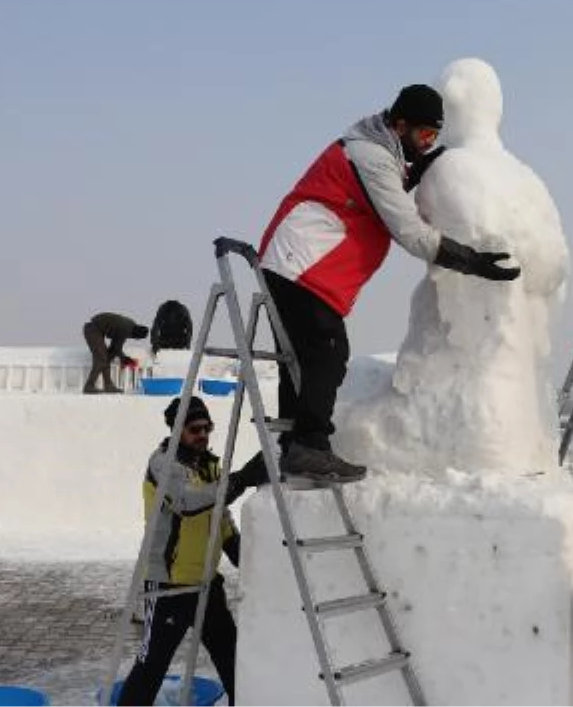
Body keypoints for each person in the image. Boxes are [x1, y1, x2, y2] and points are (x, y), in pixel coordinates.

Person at [249, 83, 521, 485]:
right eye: (423, 135)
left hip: (301, 266)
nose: (428, 144)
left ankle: (297, 447)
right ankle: (308, 447)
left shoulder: (377, 153)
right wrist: (471, 261)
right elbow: (409, 231)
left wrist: (414, 174)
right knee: (326, 350)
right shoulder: (370, 156)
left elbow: (379, 192)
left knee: (304, 361)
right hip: (300, 264)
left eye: (434, 136)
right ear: (399, 124)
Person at [118, 396, 238, 706]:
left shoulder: (211, 466)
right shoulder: (163, 463)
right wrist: (240, 481)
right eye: (194, 428)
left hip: (206, 585)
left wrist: (242, 553)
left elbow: (220, 520)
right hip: (169, 586)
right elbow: (187, 502)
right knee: (151, 667)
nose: (203, 435)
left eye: (207, 428)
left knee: (233, 659)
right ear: (176, 430)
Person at [83, 312, 148, 394]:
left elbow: (114, 348)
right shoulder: (125, 329)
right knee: (101, 359)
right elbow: (117, 348)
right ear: (137, 336)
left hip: (97, 330)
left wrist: (123, 358)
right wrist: (125, 359)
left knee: (106, 358)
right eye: (137, 338)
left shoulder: (130, 325)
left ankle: (108, 385)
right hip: (92, 329)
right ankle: (89, 386)